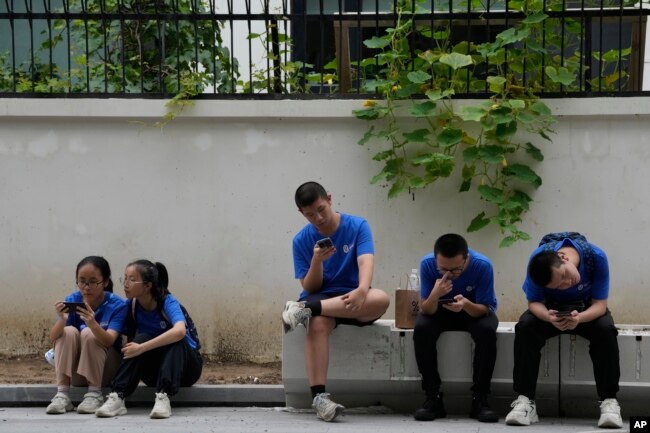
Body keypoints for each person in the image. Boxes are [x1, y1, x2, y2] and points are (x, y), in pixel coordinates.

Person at [281, 181, 390, 422]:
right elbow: (310, 287)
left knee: (380, 298)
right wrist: (317, 261)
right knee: (318, 324)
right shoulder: (301, 240)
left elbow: (365, 261)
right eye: (310, 214)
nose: (318, 218)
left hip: (353, 296)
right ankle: (320, 399)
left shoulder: (357, 226)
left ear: (329, 199)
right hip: (324, 297)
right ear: (301, 213)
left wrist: (362, 289)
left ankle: (305, 310)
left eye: (321, 209)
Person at [505, 233, 622, 428]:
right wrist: (548, 317)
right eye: (558, 286)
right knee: (526, 327)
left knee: (605, 329)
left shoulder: (596, 257)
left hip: (586, 311)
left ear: (564, 258)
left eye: (564, 277)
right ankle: (525, 401)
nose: (566, 285)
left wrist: (579, 318)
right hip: (551, 311)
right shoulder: (537, 263)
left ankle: (609, 402)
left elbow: (600, 305)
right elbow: (534, 302)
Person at [95, 260, 202, 419]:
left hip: (185, 369)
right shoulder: (131, 306)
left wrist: (142, 348)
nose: (125, 284)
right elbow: (113, 333)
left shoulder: (167, 301)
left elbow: (179, 331)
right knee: (140, 338)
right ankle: (117, 396)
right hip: (154, 372)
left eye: (132, 280)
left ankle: (163, 397)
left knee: (175, 339)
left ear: (148, 286)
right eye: (124, 278)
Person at [412, 234, 499, 422]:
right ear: (436, 259)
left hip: (472, 310)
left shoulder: (482, 265)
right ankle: (432, 397)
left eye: (456, 269)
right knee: (422, 329)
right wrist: (435, 294)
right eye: (443, 269)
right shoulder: (427, 264)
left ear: (466, 258)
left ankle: (480, 398)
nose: (449, 273)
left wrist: (466, 305)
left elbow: (484, 309)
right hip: (439, 311)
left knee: (487, 330)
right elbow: (426, 310)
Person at [46, 256, 127, 415]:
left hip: (105, 370)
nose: (86, 287)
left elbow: (110, 340)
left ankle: (95, 394)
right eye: (81, 281)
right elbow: (53, 337)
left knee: (89, 332)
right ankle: (62, 395)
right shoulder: (73, 300)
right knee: (68, 331)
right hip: (76, 373)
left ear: (104, 282)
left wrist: (92, 324)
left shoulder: (118, 305)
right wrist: (62, 320)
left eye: (92, 282)